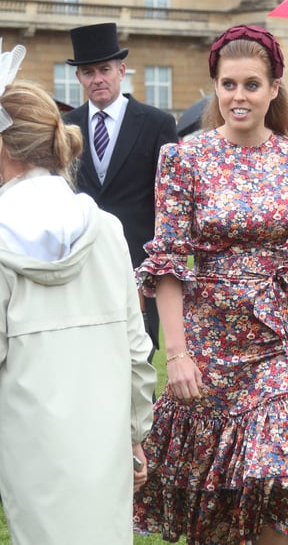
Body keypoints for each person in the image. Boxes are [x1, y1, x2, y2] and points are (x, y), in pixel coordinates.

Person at [133, 24, 288, 545]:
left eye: (252, 84)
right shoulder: (183, 159)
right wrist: (177, 354)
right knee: (219, 495)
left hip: (282, 337)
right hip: (211, 342)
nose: (239, 96)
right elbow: (169, 262)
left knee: (279, 473)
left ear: (275, 89)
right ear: (215, 88)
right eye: (228, 85)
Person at [0, 63, 156, 544]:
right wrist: (135, 434)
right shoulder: (107, 227)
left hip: (30, 440)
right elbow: (137, 347)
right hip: (103, 438)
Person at [63, 22, 178, 357]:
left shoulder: (157, 122)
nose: (97, 79)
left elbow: (167, 199)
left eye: (105, 69)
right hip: (83, 259)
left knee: (140, 354)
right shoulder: (67, 127)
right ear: (79, 78)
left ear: (121, 71)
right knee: (89, 353)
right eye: (88, 72)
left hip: (139, 259)